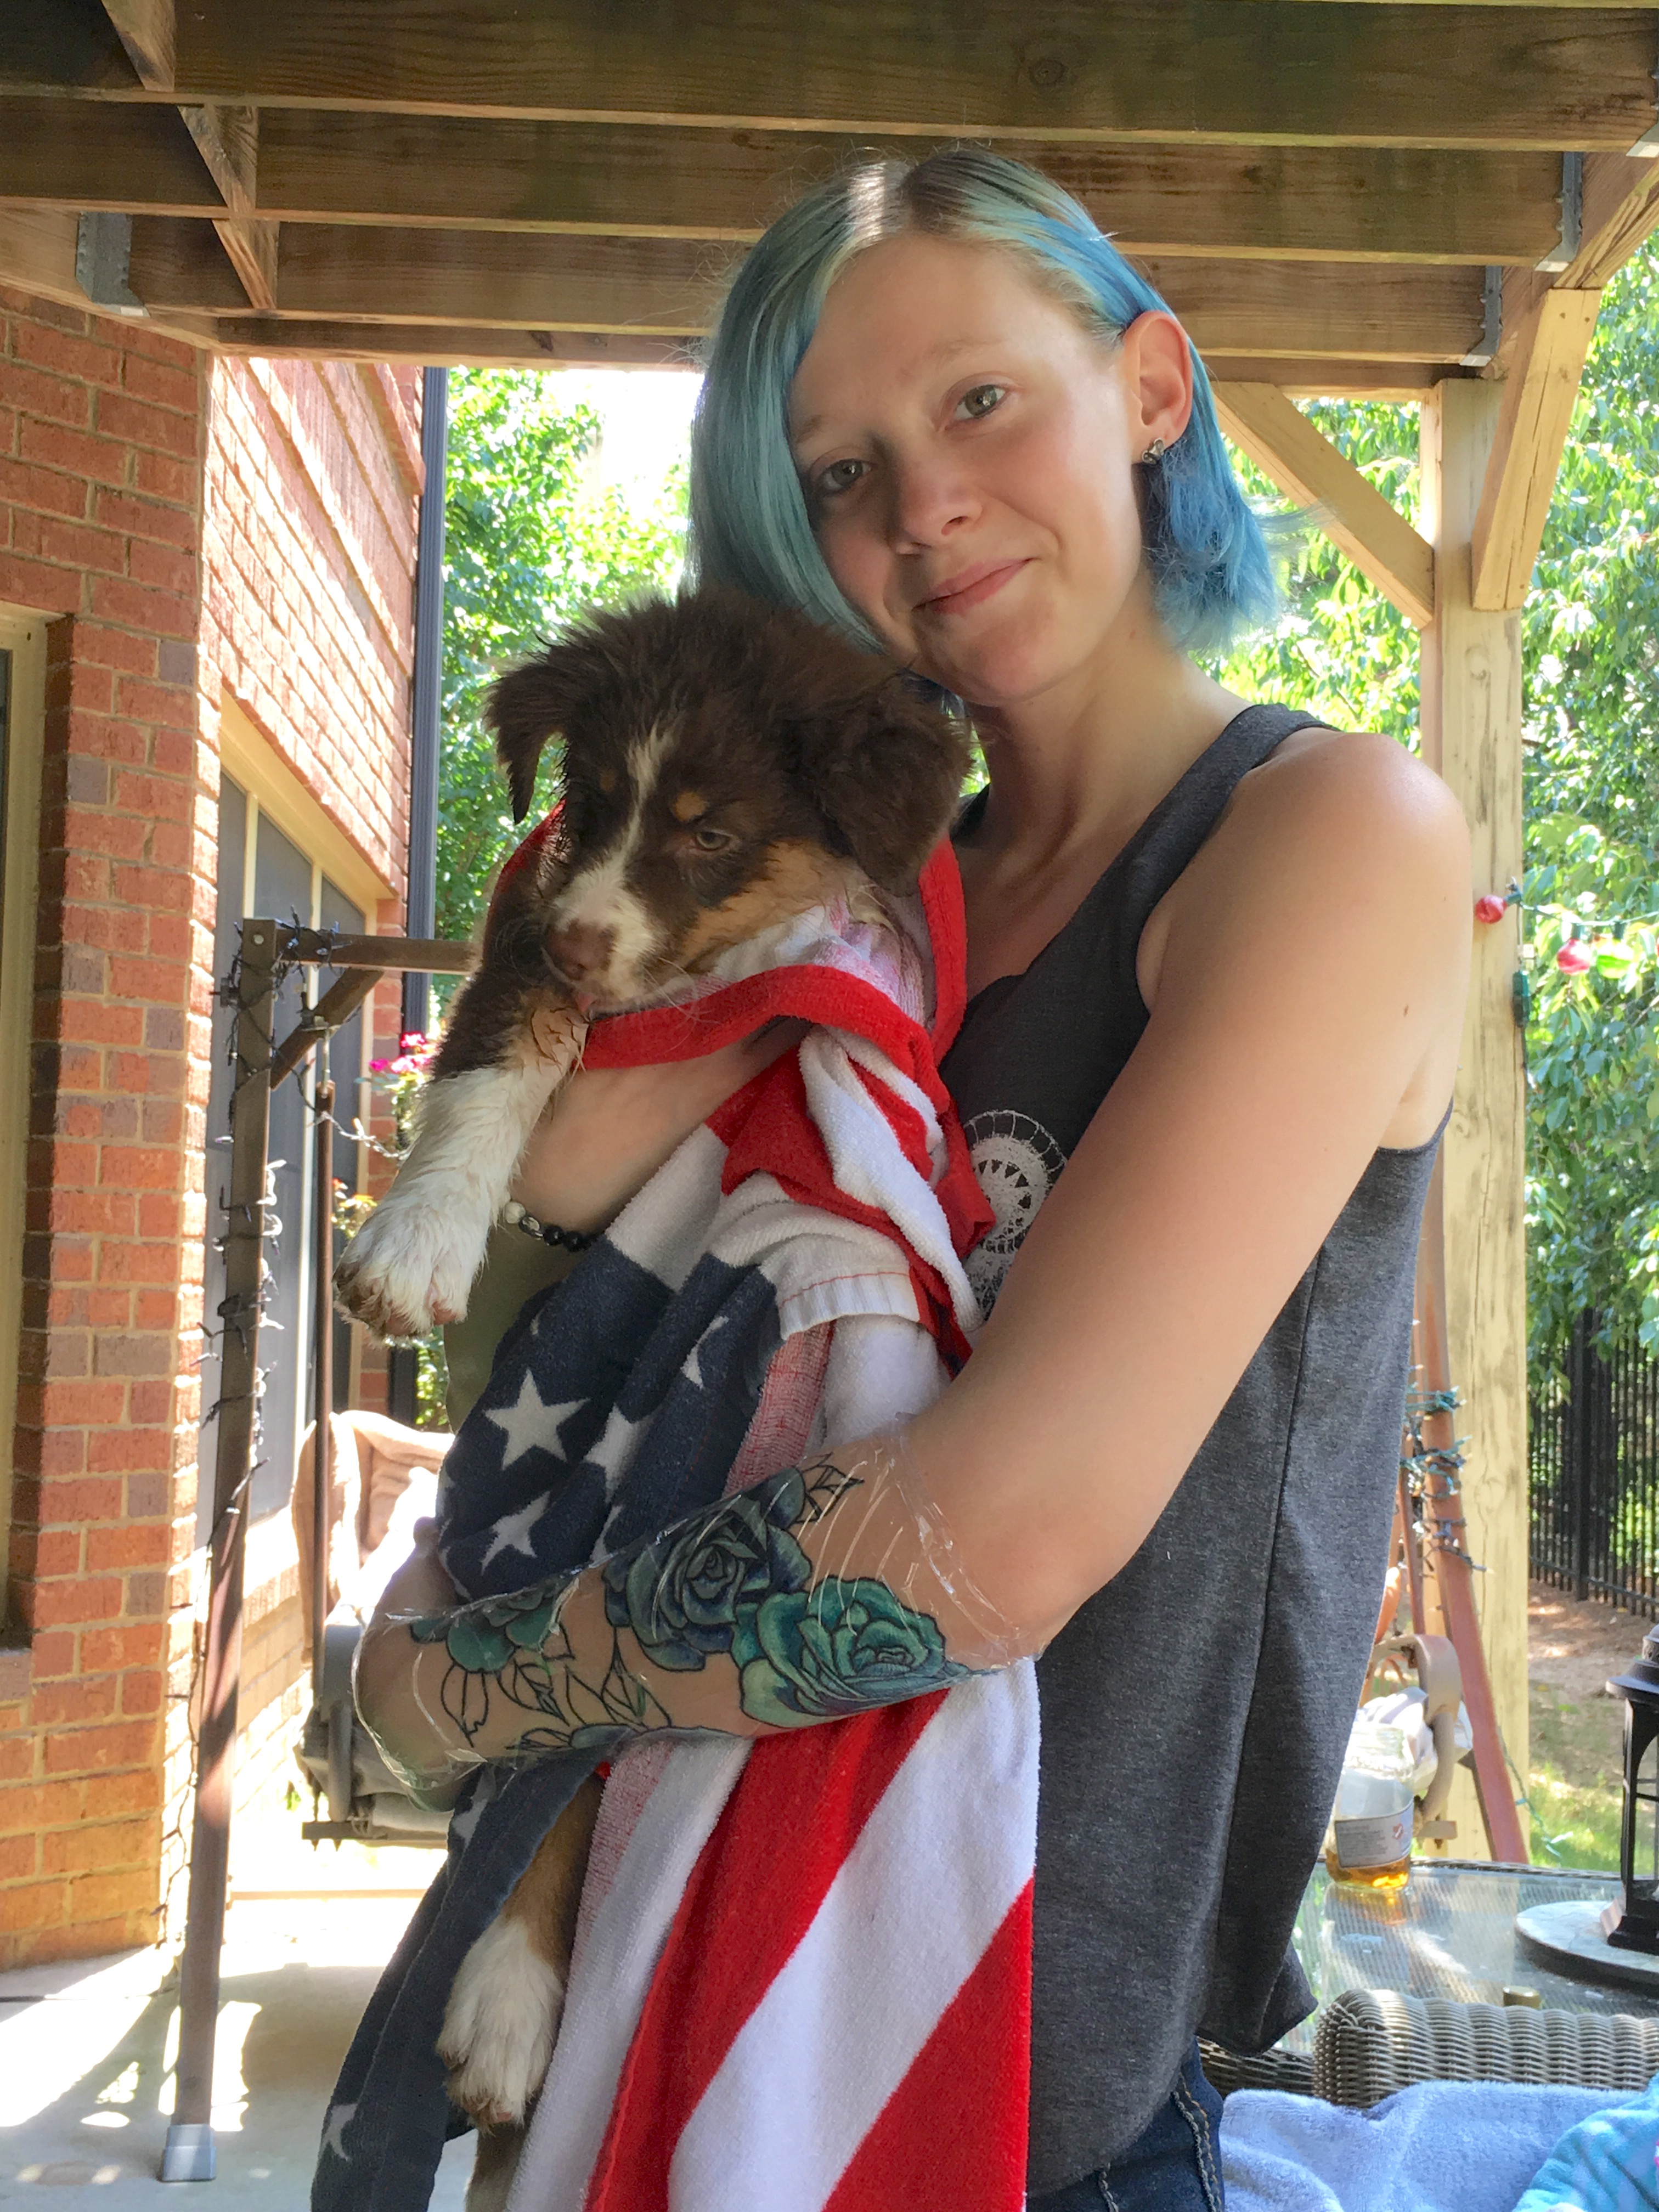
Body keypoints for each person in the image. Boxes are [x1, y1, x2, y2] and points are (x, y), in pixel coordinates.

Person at [356, 150, 1470, 2210]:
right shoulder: (856, 897)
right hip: (646, 1997)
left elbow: (991, 1542)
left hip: (1021, 2092)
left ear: (1153, 389)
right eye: (842, 473)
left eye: (980, 402)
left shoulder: (1325, 840)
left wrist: (451, 1685)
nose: (925, 508)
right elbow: (574, 1219)